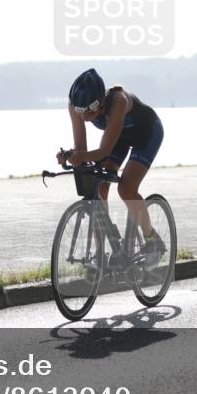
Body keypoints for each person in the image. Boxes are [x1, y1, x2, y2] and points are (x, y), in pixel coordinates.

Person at [56, 68, 166, 265]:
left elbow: (104, 151)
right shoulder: (75, 107)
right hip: (119, 138)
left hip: (147, 133)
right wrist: (70, 155)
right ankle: (101, 254)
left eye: (90, 111)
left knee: (126, 188)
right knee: (100, 188)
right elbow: (82, 149)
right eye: (81, 112)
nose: (86, 117)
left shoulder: (119, 101)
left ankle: (152, 240)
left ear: (102, 102)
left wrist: (80, 156)